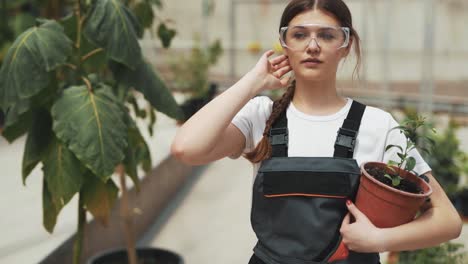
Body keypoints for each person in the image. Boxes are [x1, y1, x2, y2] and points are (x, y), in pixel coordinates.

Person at [171, 0, 462, 263]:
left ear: (346, 45)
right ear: (284, 44)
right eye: (299, 35)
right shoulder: (261, 115)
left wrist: (380, 240)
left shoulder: (376, 124)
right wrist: (252, 81)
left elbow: (447, 220)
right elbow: (186, 148)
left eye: (326, 35)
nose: (312, 46)